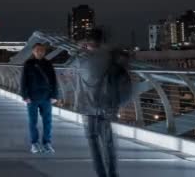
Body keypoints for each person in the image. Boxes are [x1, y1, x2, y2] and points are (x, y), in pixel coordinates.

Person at [72, 29, 131, 177]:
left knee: (93, 140)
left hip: (87, 105)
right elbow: (124, 61)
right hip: (107, 105)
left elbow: (73, 66)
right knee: (108, 142)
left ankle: (101, 173)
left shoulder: (82, 59)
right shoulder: (111, 57)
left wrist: (79, 49)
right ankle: (112, 173)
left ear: (88, 42)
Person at [20, 42, 59, 154]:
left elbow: (54, 80)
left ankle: (47, 143)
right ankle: (34, 143)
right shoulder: (28, 63)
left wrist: (54, 95)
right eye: (37, 50)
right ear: (33, 51)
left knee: (48, 122)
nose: (39, 52)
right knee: (33, 122)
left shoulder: (48, 64)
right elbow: (23, 81)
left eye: (41, 50)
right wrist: (25, 95)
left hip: (46, 97)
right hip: (32, 97)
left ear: (44, 51)